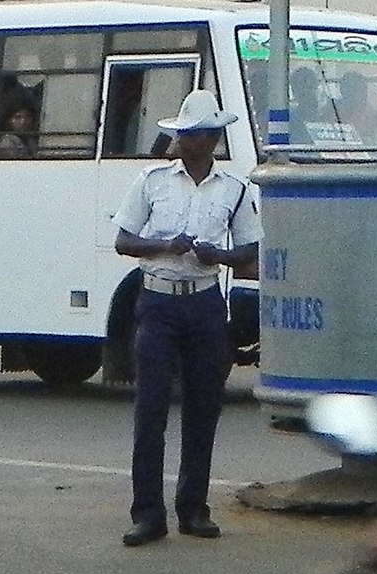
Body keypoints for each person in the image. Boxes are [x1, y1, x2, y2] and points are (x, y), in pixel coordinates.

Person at [113, 89, 264, 547]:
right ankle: (148, 513)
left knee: (203, 409)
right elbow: (123, 241)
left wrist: (217, 255)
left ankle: (194, 508)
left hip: (204, 304)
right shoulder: (152, 180)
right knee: (151, 409)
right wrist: (165, 246)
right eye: (182, 134)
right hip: (157, 302)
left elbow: (252, 252)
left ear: (212, 139)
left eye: (194, 135)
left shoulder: (234, 189)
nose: (185, 142)